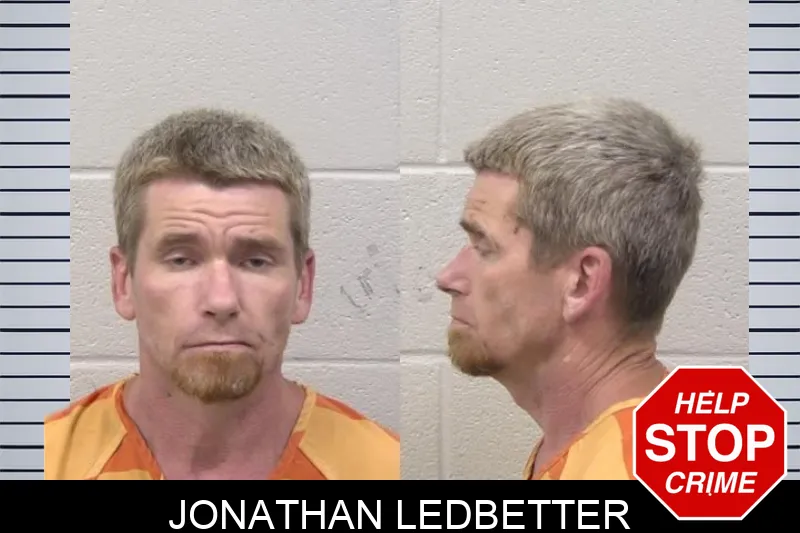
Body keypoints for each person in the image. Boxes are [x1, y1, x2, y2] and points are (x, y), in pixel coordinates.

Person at [45, 108, 399, 480]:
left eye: (256, 261)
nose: (221, 300)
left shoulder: (382, 468)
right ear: (123, 282)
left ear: (303, 285)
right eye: (182, 260)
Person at [435, 97, 703, 480]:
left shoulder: (631, 474)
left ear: (581, 283)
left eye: (484, 247)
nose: (448, 277)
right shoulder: (641, 450)